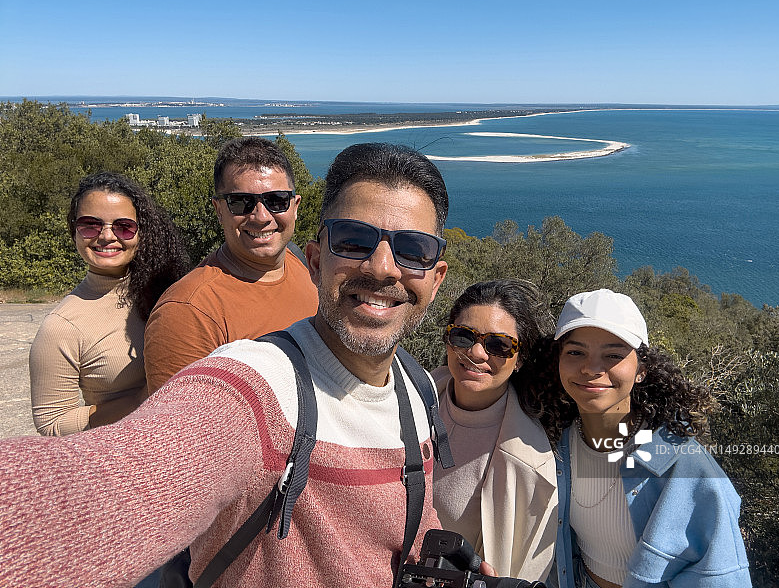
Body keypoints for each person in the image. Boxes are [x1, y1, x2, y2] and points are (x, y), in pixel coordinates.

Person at [0, 142, 451, 588]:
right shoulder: (248, 385)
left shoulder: (418, 387)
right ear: (318, 261)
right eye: (353, 241)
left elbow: (405, 516)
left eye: (414, 249)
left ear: (436, 279)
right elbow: (145, 470)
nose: (382, 268)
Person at [519, 289, 751, 588]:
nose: (591, 368)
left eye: (613, 355)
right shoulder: (555, 441)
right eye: (575, 352)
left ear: (641, 370)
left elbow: (721, 576)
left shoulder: (684, 467)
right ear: (558, 361)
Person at [143, 136, 319, 392]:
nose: (261, 217)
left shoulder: (299, 262)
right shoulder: (189, 313)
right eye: (241, 202)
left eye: (276, 200)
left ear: (295, 206)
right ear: (219, 209)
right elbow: (183, 417)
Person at [29, 172, 189, 436]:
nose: (106, 236)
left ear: (142, 233)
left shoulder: (169, 288)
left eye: (123, 226)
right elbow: (52, 423)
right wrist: (142, 399)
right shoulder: (61, 327)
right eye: (90, 225)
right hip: (129, 450)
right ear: (74, 231)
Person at [431, 279, 558, 582]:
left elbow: (521, 575)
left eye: (499, 345)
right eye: (463, 336)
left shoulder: (529, 466)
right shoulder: (412, 397)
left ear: (520, 359)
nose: (476, 352)